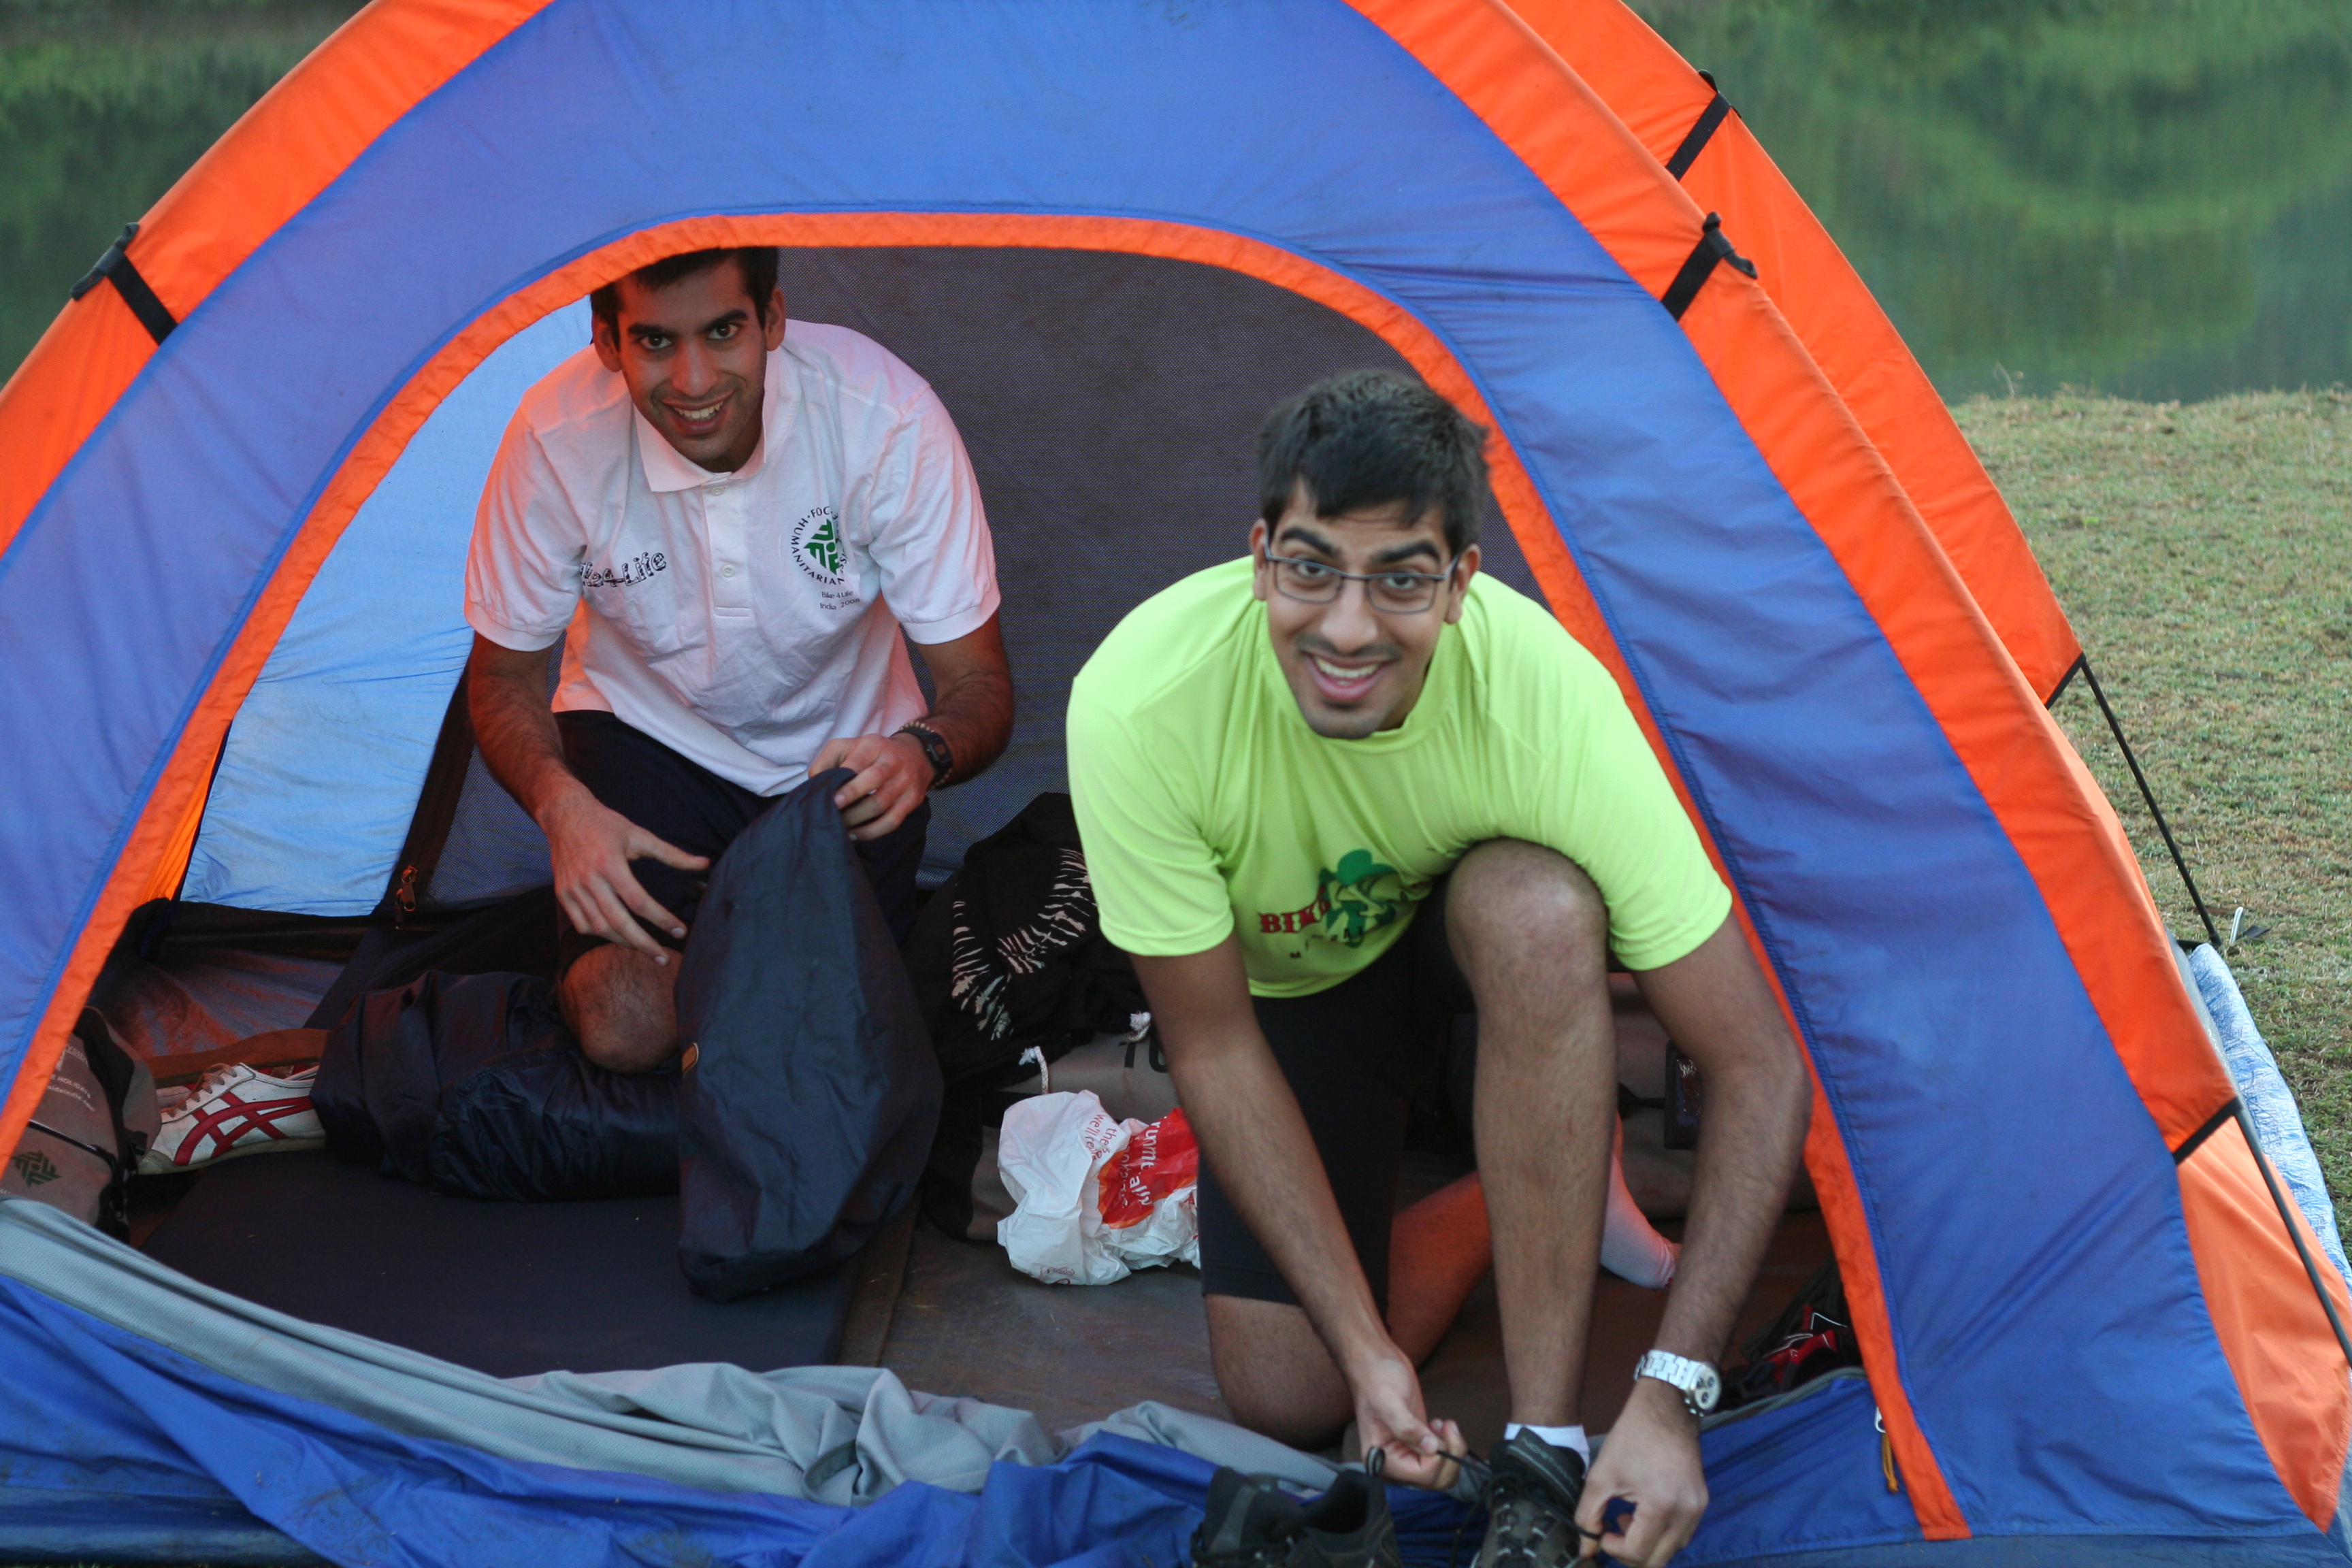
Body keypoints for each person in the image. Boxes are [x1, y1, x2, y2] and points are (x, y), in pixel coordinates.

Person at [1066, 371, 1810, 1567]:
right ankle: (1541, 1177)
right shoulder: (1138, 701)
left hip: (1484, 946)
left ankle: (1547, 1436)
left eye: (1402, 577)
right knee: (1286, 1392)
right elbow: (1210, 1046)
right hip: (1300, 987)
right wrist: (1368, 1358)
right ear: (1261, 557)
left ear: (1463, 582)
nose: (1348, 626)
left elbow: (1756, 1060)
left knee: (1534, 902)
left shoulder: (1550, 695)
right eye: (1311, 567)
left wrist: (1671, 1393)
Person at [464, 245, 1012, 1071]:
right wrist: (562, 811)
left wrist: (918, 755)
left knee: (832, 1038)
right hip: (647, 739)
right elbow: (502, 677)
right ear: (607, 342)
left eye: (723, 332)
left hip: (846, 760)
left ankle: (744, 1026)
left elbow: (981, 686)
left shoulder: (885, 416)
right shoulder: (554, 435)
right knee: (624, 1024)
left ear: (774, 322)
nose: (692, 380)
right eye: (654, 342)